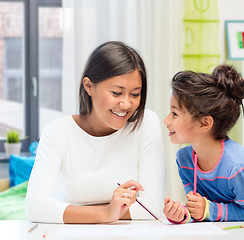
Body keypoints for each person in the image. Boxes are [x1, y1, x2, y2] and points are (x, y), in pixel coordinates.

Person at [26, 41, 166, 224]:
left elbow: (152, 208)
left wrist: (73, 211)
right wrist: (106, 213)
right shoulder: (57, 132)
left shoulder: (145, 124)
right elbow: (35, 207)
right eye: (116, 93)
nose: (126, 104)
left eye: (135, 94)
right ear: (89, 86)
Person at [163, 65, 244, 223]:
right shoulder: (184, 160)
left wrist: (208, 210)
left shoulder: (239, 165)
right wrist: (182, 214)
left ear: (204, 123)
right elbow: (200, 209)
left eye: (175, 114)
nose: (166, 120)